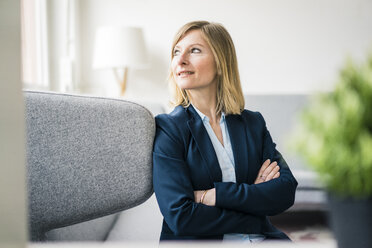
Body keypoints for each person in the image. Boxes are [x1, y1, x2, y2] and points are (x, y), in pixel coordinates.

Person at [152, 20, 298, 242]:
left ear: (221, 62)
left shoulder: (253, 123)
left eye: (195, 50)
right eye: (176, 52)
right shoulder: (169, 129)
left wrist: (214, 195)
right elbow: (181, 217)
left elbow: (285, 191)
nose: (180, 60)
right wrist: (253, 204)